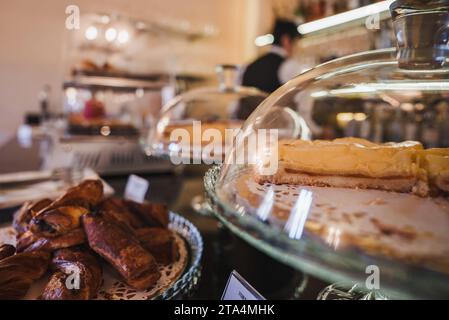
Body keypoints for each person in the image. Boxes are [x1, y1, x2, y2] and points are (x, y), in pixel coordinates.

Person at [242, 19, 302, 94]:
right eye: (296, 42)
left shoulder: (248, 66)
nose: (297, 47)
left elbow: (237, 103)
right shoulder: (289, 66)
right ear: (286, 40)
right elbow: (301, 100)